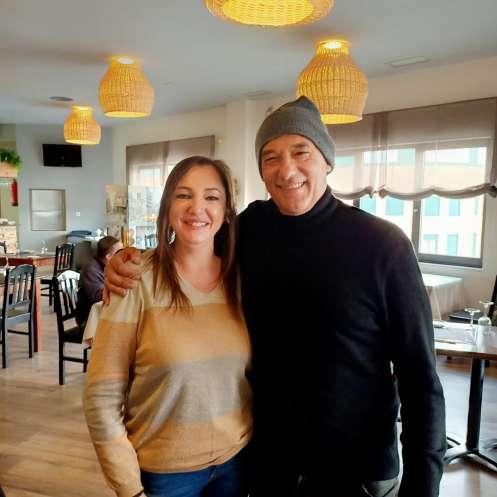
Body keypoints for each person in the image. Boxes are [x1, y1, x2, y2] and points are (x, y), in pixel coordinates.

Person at [105, 97, 446, 497]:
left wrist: (423, 485)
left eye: (301, 152)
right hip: (268, 465)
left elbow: (421, 379)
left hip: (357, 471)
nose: (286, 170)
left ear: (326, 161)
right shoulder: (248, 230)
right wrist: (129, 261)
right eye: (271, 157)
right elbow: (192, 243)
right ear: (262, 172)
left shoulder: (382, 245)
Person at [83, 157, 252, 497]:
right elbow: (101, 395)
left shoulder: (241, 278)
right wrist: (128, 486)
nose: (197, 208)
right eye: (183, 195)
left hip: (237, 463)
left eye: (211, 197)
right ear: (167, 206)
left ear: (227, 211)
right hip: (166, 475)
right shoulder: (134, 279)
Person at [75, 235, 123, 327]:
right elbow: (98, 296)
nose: (123, 255)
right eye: (120, 252)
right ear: (108, 256)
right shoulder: (91, 269)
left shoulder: (112, 267)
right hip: (90, 318)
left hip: (106, 313)